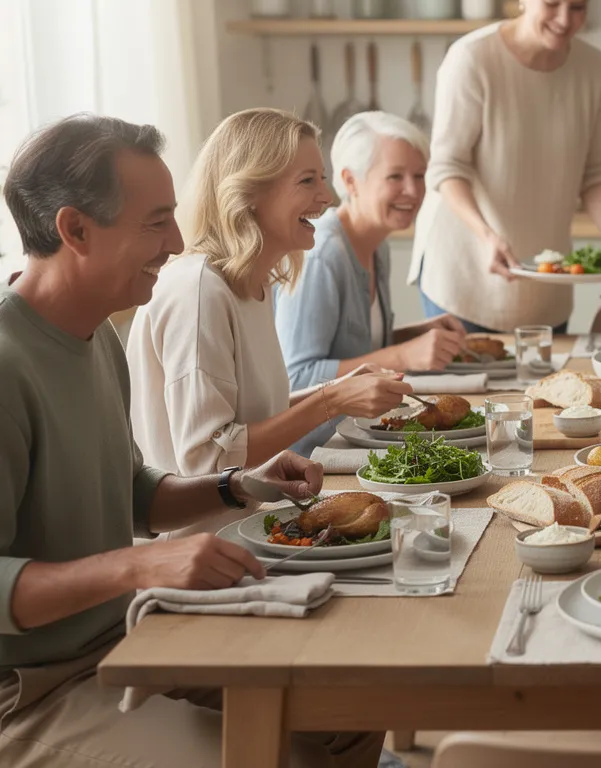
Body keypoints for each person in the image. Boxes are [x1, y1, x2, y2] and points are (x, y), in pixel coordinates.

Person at [0, 113, 382, 767]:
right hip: (30, 693)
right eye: (155, 222)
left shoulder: (99, 340)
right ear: (74, 229)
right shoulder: (8, 364)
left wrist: (238, 486)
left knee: (353, 707)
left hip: (126, 639)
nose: (177, 241)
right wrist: (138, 565)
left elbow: (134, 494)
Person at [125, 108, 412, 534]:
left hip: (249, 530)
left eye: (323, 178)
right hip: (199, 552)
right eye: (307, 181)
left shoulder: (249, 285)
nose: (327, 197)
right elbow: (208, 460)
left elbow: (249, 423)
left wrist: (339, 390)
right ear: (249, 192)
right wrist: (332, 401)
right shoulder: (199, 289)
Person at [411, 0, 601, 334]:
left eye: (578, 7)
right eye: (552, 3)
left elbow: (595, 173)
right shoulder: (473, 59)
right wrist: (488, 236)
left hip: (546, 288)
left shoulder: (595, 68)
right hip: (465, 277)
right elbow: (447, 166)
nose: (565, 19)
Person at [273, 111, 468, 455]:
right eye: (395, 176)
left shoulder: (378, 246)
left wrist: (413, 335)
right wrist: (403, 354)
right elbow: (298, 377)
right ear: (350, 182)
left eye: (419, 175)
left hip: (362, 440)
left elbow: (355, 349)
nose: (413, 190)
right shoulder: (322, 255)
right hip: (316, 457)